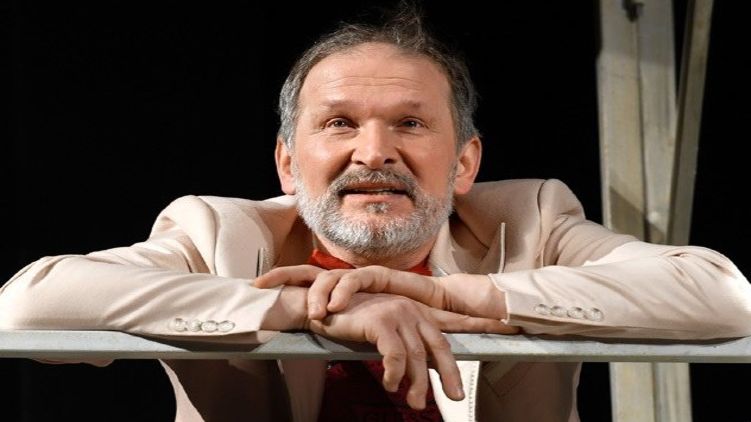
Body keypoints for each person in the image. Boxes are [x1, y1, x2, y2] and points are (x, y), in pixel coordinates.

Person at [2, 4, 751, 422]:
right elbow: (26, 304)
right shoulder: (216, 233)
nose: (374, 152)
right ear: (287, 165)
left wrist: (454, 297)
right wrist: (314, 310)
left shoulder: (530, 220)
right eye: (338, 124)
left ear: (464, 164)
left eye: (410, 124)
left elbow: (724, 296)